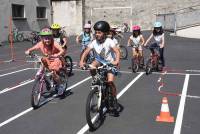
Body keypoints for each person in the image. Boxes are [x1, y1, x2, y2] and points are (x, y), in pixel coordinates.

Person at [79, 21, 120, 114]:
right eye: (96, 32)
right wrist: (82, 61)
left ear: (105, 33)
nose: (97, 34)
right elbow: (86, 52)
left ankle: (113, 98)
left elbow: (117, 52)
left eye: (99, 32)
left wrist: (116, 61)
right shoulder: (94, 42)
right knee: (92, 66)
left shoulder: (109, 41)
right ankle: (96, 80)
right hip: (99, 61)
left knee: (110, 82)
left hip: (109, 62)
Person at [25, 28, 65, 96]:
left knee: (53, 73)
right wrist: (28, 51)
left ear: (51, 38)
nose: (47, 40)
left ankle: (61, 85)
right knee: (41, 70)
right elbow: (33, 48)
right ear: (42, 38)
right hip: (46, 59)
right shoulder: (40, 44)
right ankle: (47, 82)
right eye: (45, 38)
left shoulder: (54, 43)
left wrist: (56, 55)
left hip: (55, 59)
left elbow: (62, 50)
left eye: (49, 38)